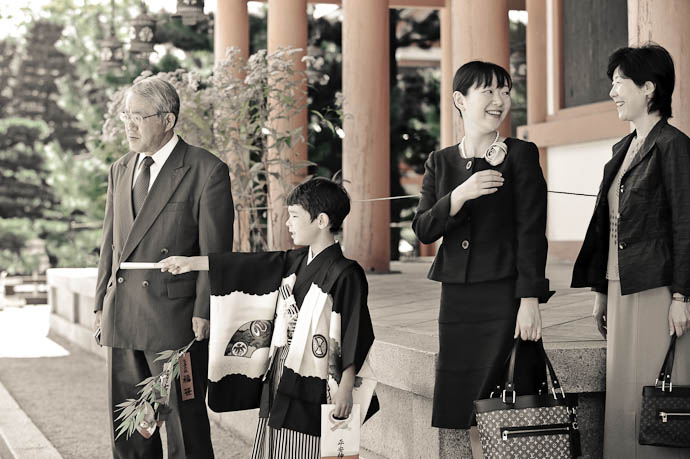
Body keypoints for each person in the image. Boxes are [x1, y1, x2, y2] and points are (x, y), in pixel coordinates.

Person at [160, 177, 377, 459]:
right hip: (282, 366)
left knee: (309, 445)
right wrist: (191, 263)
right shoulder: (296, 261)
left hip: (320, 374)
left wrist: (346, 389)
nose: (288, 223)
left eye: (295, 216)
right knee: (276, 443)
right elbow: (250, 265)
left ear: (321, 220)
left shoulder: (346, 273)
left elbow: (354, 335)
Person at [412, 60, 551, 457]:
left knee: (505, 396)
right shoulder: (439, 163)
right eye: (488, 91)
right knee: (468, 401)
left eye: (505, 91)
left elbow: (531, 232)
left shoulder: (521, 154)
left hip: (504, 295)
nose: (500, 100)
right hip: (457, 299)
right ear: (460, 99)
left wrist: (529, 300)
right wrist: (460, 194)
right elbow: (423, 229)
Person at [93, 77, 234, 459]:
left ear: (168, 119)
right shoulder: (120, 169)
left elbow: (215, 251)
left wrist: (204, 310)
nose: (129, 125)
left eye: (139, 116)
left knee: (183, 421)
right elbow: (110, 243)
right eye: (126, 115)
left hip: (176, 318)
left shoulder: (206, 170)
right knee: (129, 425)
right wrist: (98, 306)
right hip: (122, 310)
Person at [572, 44, 690, 458]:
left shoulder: (675, 146)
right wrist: (601, 291)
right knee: (623, 391)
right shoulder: (623, 149)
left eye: (620, 82)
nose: (613, 91)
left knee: (654, 389)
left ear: (649, 88)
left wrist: (682, 295)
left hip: (657, 289)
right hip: (621, 287)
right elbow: (610, 226)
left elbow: (685, 225)